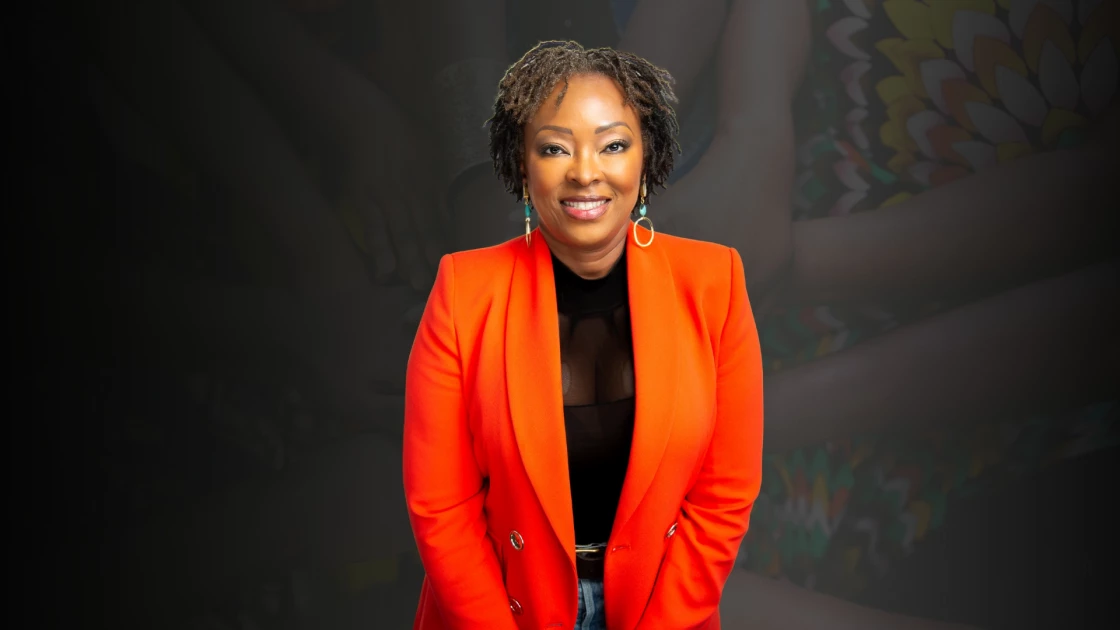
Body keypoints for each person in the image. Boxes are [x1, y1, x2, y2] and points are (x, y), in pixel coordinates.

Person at [402, 41, 765, 629]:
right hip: (501, 611)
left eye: (613, 145)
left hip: (659, 611)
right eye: (554, 148)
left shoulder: (714, 282)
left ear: (646, 158)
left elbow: (725, 496)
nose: (585, 172)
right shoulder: (463, 291)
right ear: (522, 165)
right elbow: (440, 506)